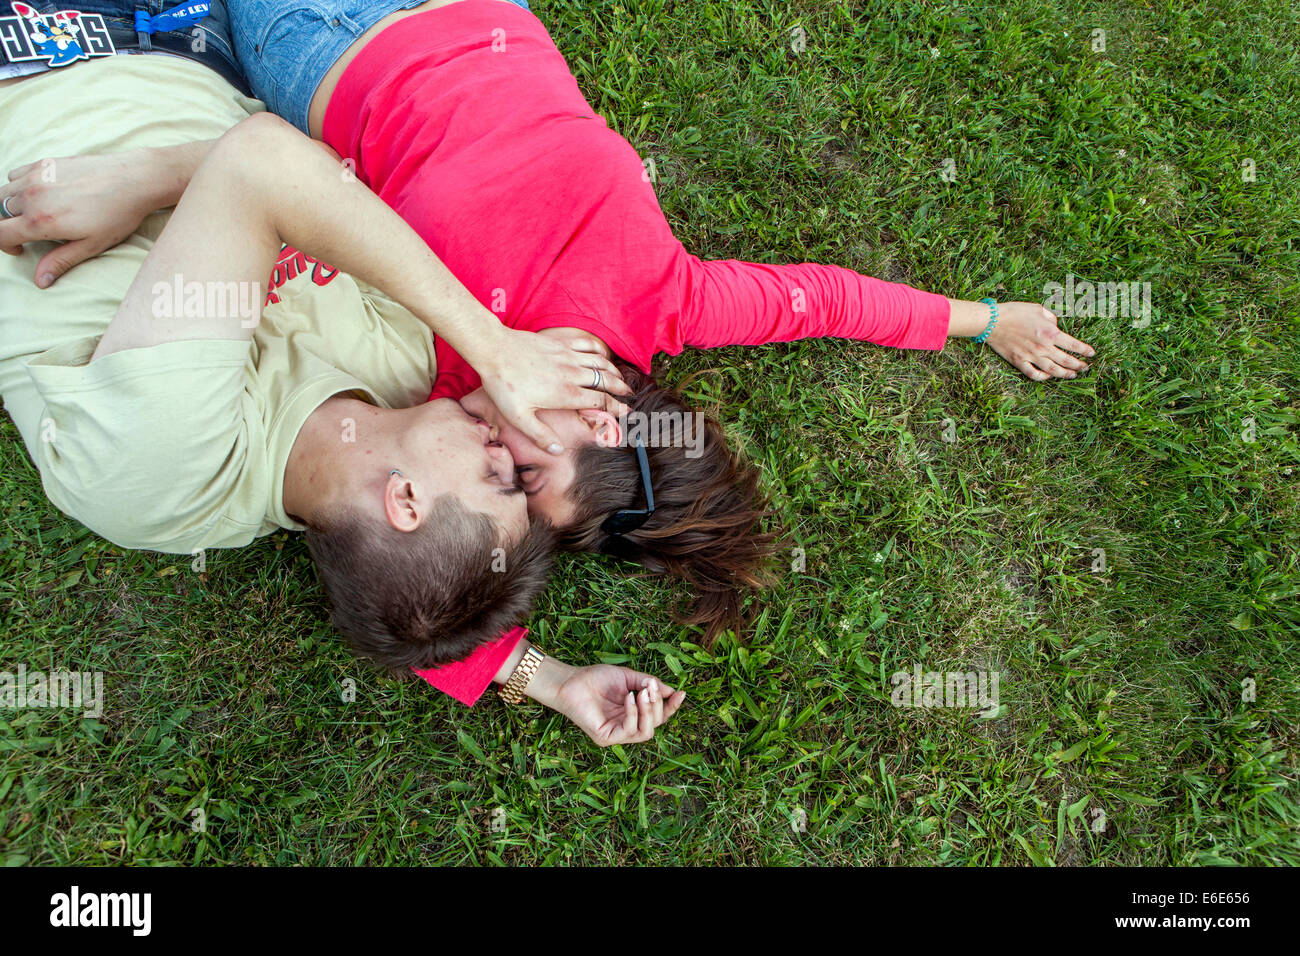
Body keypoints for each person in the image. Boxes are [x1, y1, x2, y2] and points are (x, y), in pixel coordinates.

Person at [212, 0, 1099, 705]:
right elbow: (831, 301)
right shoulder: (671, 300)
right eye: (524, 476)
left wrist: (553, 683)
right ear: (604, 412)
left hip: (318, 42)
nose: (489, 467)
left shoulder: (436, 379)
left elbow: (425, 610)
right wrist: (984, 320)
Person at [0, 1, 686, 746]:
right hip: (202, 41)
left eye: (499, 481)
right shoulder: (401, 382)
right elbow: (424, 597)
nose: (506, 445)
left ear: (404, 499)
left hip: (40, 50)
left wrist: (493, 346)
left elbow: (263, 164)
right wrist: (546, 679)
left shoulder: (168, 470)